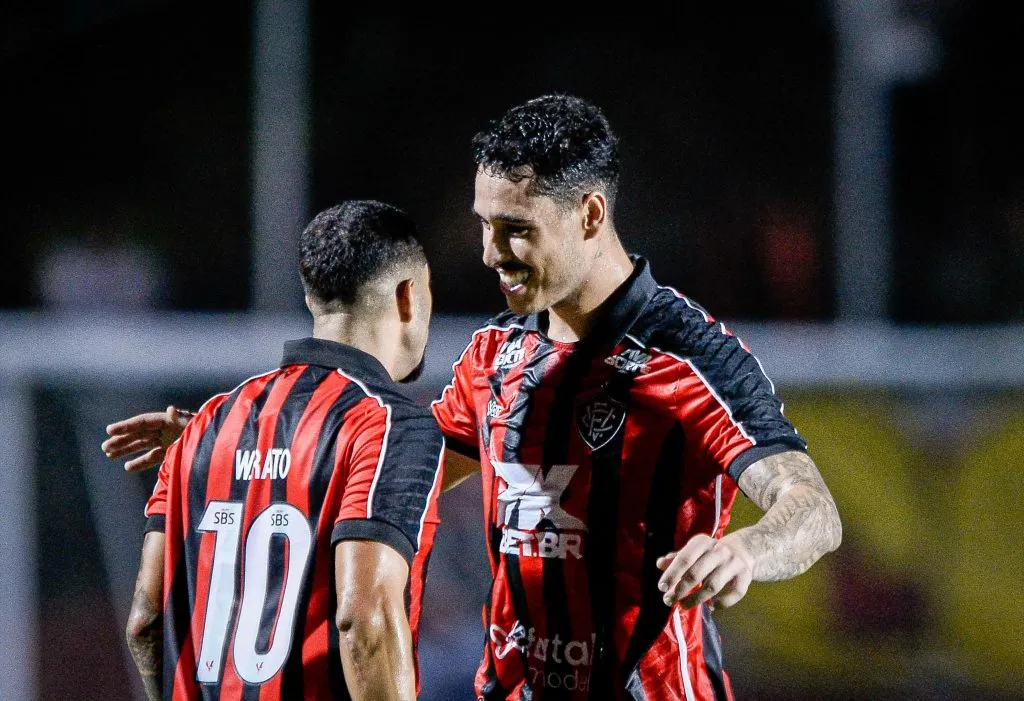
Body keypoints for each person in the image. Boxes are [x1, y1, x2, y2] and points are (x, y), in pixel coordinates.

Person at [107, 95, 842, 701]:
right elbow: (395, 468)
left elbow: (811, 510)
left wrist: (743, 549)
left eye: (516, 230)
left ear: (590, 215)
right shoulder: (495, 355)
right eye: (484, 225)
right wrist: (244, 440)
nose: (490, 253)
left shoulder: (691, 355)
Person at [117, 200, 444, 700]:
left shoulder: (204, 428)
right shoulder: (388, 424)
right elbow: (366, 620)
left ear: (312, 298)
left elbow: (145, 619)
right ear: (409, 296)